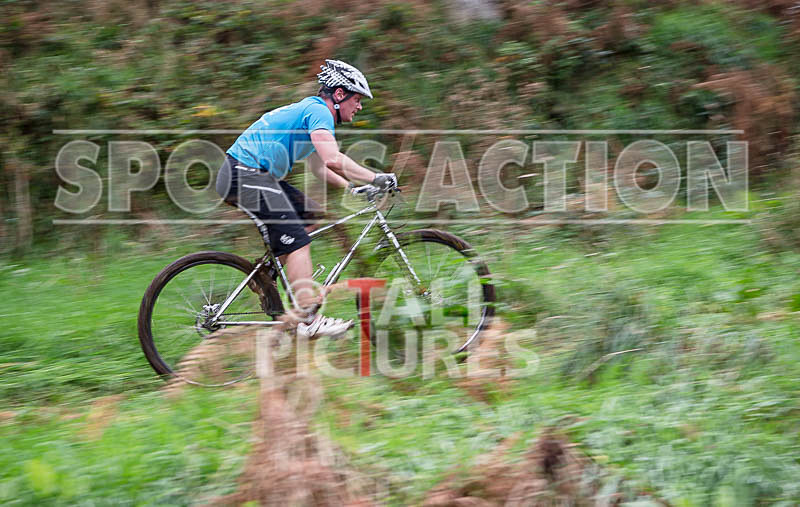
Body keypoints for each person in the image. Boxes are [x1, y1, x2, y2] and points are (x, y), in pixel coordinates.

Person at [216, 59, 397, 338]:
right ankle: (309, 320)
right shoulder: (318, 112)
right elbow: (333, 159)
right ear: (339, 94)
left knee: (309, 217)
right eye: (357, 99)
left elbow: (319, 165)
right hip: (245, 174)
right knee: (299, 241)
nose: (359, 107)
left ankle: (266, 276)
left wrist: (351, 187)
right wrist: (375, 178)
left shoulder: (311, 114)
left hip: (252, 175)